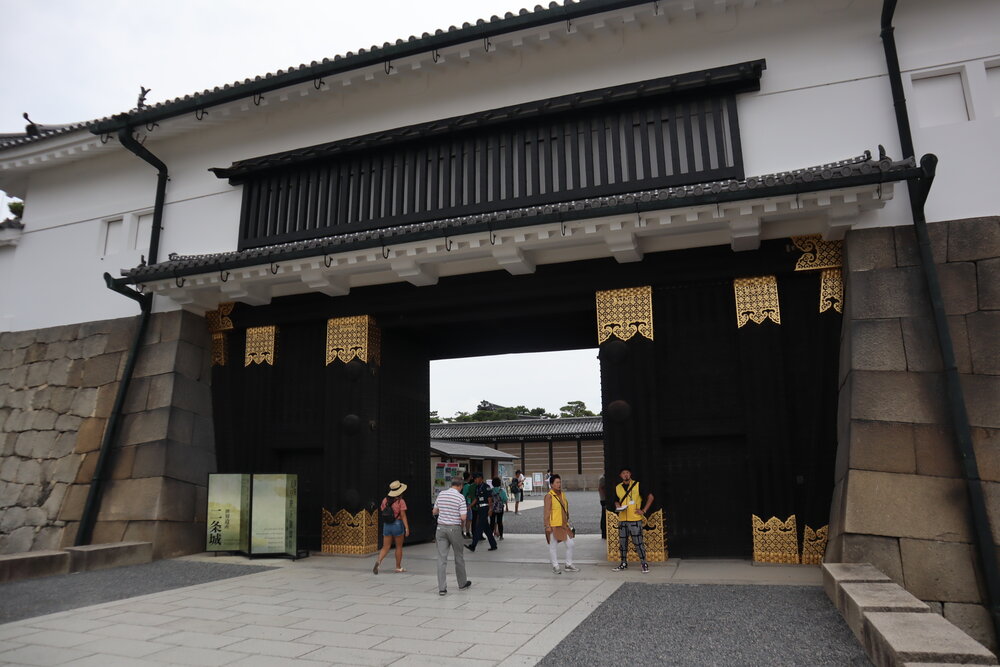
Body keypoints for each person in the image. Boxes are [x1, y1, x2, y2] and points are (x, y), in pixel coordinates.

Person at [433, 476, 473, 595]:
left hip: (440, 528)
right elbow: (463, 517)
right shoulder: (460, 497)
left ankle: (442, 588)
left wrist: (444, 512)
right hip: (454, 528)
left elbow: (434, 511)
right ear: (460, 486)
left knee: (441, 558)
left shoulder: (441, 494)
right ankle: (462, 583)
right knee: (459, 557)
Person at [612, 466, 654, 573]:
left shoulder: (637, 485)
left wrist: (643, 510)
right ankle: (623, 563)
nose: (625, 475)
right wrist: (617, 505)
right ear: (620, 476)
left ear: (630, 474)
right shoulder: (618, 487)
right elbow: (616, 500)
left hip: (634, 519)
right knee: (622, 543)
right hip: (622, 519)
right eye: (623, 473)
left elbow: (650, 497)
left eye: (627, 473)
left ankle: (644, 563)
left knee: (638, 542)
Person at [543, 474, 579, 574]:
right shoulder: (549, 496)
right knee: (553, 546)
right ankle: (555, 566)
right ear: (551, 484)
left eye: (560, 482)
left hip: (563, 524)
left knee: (570, 544)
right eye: (557, 483)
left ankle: (568, 564)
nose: (559, 484)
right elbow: (546, 512)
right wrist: (547, 526)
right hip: (554, 525)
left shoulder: (562, 494)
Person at [373, 480, 409, 574]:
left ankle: (378, 561)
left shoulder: (385, 500)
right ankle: (398, 567)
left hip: (387, 525)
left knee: (385, 547)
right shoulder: (401, 501)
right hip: (397, 524)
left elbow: (383, 510)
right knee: (398, 547)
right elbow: (403, 515)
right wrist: (406, 528)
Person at [466, 472, 498, 552]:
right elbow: (476, 499)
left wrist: (490, 509)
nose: (475, 480)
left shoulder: (486, 487)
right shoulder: (477, 487)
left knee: (478, 527)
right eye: (474, 479)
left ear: (481, 478)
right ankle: (493, 545)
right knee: (487, 529)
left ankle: (473, 545)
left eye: (476, 479)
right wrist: (470, 506)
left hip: (485, 508)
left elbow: (490, 499)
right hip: (480, 509)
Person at [461, 472, 476, 538]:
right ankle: (467, 532)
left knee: (462, 519)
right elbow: (470, 495)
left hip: (461, 503)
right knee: (469, 519)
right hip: (467, 503)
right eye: (470, 476)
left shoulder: (461, 485)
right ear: (469, 477)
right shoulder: (468, 486)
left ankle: (461, 532)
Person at [598, 473, 607, 540]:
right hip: (604, 499)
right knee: (604, 515)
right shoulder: (603, 478)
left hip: (603, 499)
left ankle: (604, 532)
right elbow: (601, 488)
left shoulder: (603, 478)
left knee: (604, 515)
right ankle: (604, 532)